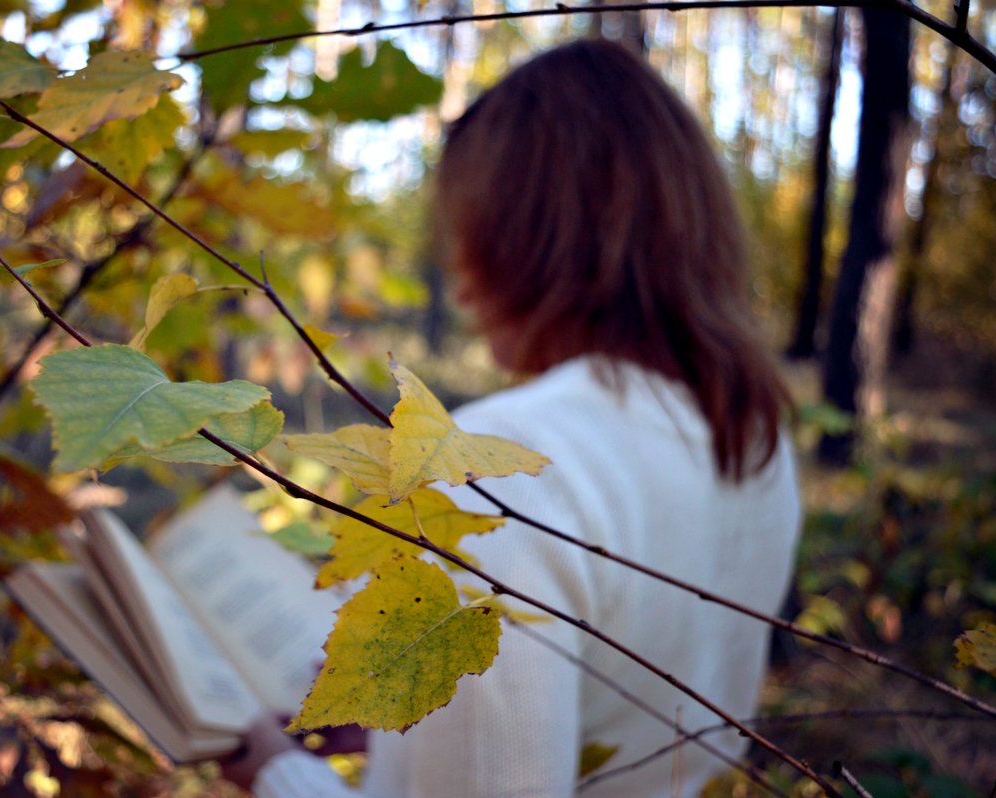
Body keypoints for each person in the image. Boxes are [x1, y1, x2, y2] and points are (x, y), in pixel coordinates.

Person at [225, 38, 802, 797]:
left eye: (474, 232)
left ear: (533, 239)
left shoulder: (504, 468)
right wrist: (409, 720)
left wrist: (281, 774)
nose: (461, 284)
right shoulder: (753, 437)